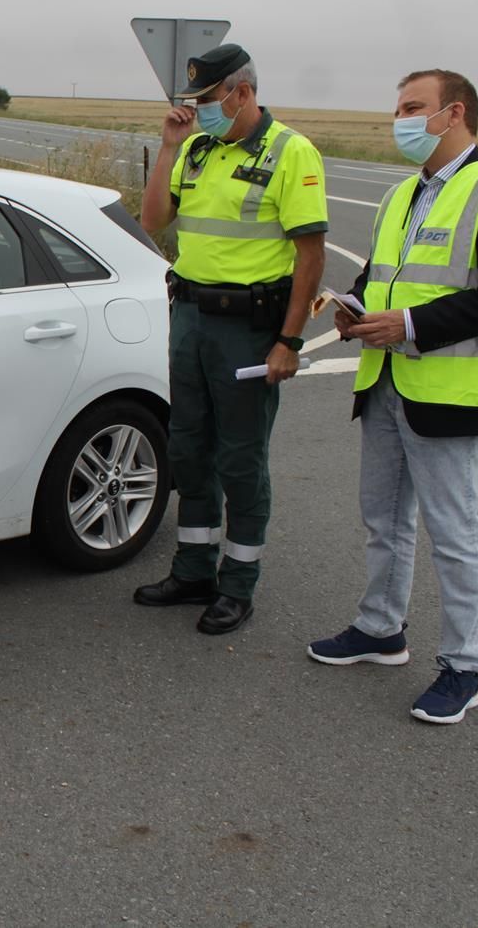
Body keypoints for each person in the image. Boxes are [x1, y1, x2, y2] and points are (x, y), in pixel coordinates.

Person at [308, 69, 478, 725]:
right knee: (383, 518)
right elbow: (385, 273)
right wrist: (354, 306)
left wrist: (411, 325)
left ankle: (464, 667)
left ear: (454, 113)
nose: (400, 119)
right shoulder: (401, 195)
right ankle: (381, 628)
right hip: (384, 381)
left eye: (413, 107)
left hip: (450, 390)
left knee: (454, 532)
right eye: (399, 106)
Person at [133, 43, 328, 634]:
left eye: (210, 100)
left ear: (242, 92)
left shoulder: (291, 152)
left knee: (240, 459)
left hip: (248, 326)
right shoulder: (194, 148)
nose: (202, 111)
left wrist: (288, 342)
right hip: (189, 317)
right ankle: (195, 569)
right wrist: (168, 147)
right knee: (188, 449)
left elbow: (310, 256)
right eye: (195, 102)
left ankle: (238, 583)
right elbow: (152, 221)